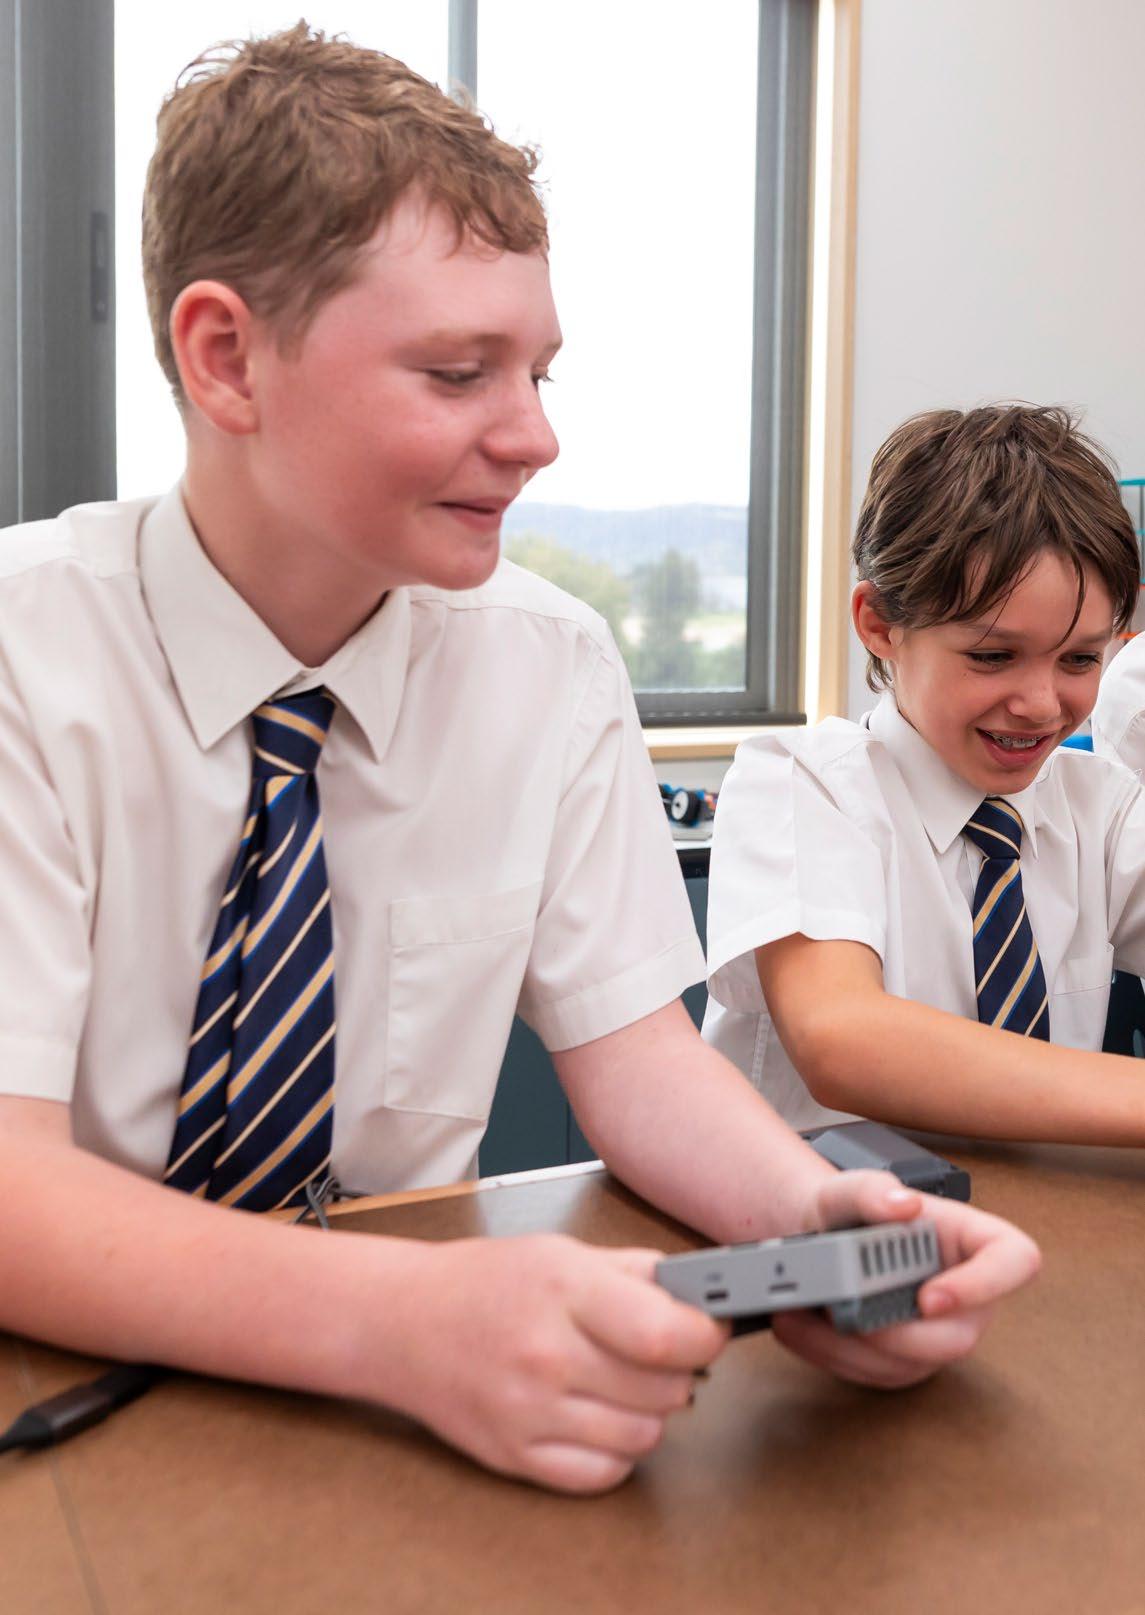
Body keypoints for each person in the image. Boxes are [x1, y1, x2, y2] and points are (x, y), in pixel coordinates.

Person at [0, 28, 1037, 1496]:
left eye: (539, 371)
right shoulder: (24, 657)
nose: (536, 435)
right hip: (70, 1382)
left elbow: (638, 1058)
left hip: (399, 1417)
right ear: (225, 357)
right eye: (456, 372)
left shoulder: (549, 665)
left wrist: (811, 1220)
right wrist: (404, 1318)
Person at [703, 402, 1145, 1149]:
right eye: (992, 656)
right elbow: (842, 1039)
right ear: (880, 624)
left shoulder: (1099, 809)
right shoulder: (802, 786)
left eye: (1078, 659)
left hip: (1032, 1212)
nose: (1042, 704)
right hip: (813, 1212)